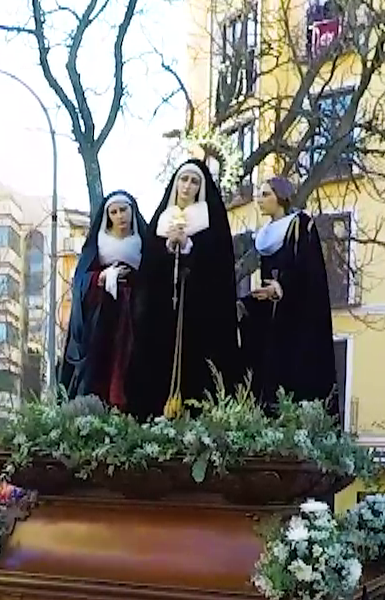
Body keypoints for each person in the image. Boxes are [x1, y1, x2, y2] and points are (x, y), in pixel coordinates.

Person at [130, 159, 241, 419]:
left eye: (194, 181)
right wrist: (168, 247)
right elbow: (148, 265)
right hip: (162, 309)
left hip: (199, 309)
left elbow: (220, 262)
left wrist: (190, 246)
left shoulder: (211, 218)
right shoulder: (162, 218)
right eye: (183, 179)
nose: (187, 186)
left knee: (197, 364)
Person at [238, 175, 338, 409]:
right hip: (271, 315)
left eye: (265, 195)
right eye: (259, 194)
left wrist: (282, 286)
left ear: (280, 197)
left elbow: (309, 267)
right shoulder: (264, 235)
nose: (259, 200)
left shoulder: (300, 224)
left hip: (296, 313)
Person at [58, 190, 156, 410]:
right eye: (114, 212)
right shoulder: (97, 246)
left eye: (124, 210)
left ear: (132, 211)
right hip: (102, 316)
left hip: (135, 313)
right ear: (108, 216)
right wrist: (100, 278)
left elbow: (154, 276)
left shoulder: (145, 244)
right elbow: (80, 281)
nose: (120, 216)